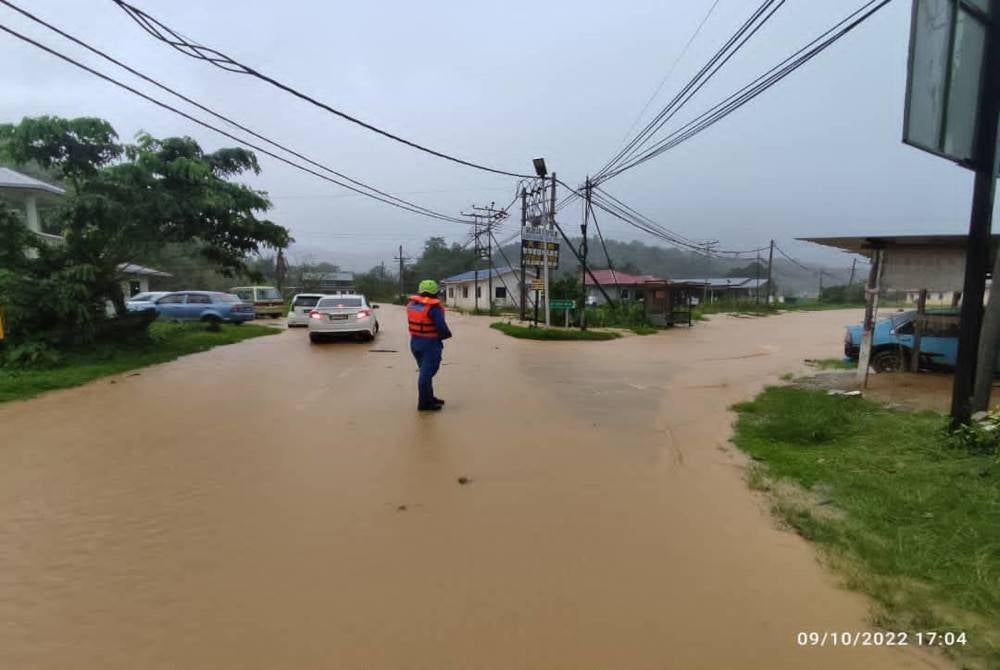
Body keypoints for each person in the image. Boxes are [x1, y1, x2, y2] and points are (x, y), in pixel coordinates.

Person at [406, 279, 452, 411]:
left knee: (425, 371)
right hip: (430, 344)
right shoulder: (434, 309)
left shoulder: (412, 305)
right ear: (435, 293)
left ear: (420, 292)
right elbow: (442, 328)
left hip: (415, 342)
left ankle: (429, 397)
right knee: (427, 373)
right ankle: (424, 404)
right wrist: (445, 336)